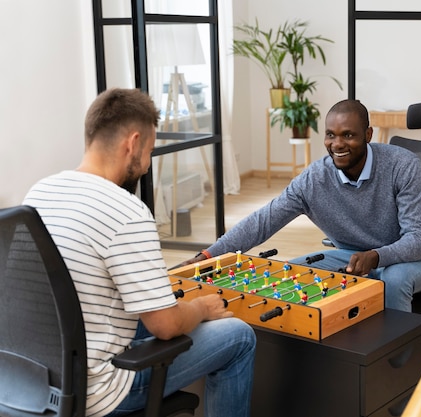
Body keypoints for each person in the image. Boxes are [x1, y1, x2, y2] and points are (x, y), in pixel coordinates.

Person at [22, 88, 256, 417]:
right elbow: (165, 326)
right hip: (98, 392)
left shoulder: (40, 191)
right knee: (239, 337)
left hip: (36, 380)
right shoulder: (127, 212)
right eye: (149, 152)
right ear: (132, 143)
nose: (146, 166)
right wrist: (201, 307)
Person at [184, 99, 421, 312]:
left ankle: (398, 364)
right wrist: (208, 256)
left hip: (414, 260)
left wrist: (377, 256)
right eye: (331, 135)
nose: (337, 144)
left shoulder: (402, 164)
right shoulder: (314, 179)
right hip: (351, 257)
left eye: (348, 135)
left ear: (368, 135)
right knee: (292, 274)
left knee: (394, 280)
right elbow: (263, 221)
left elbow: (419, 238)